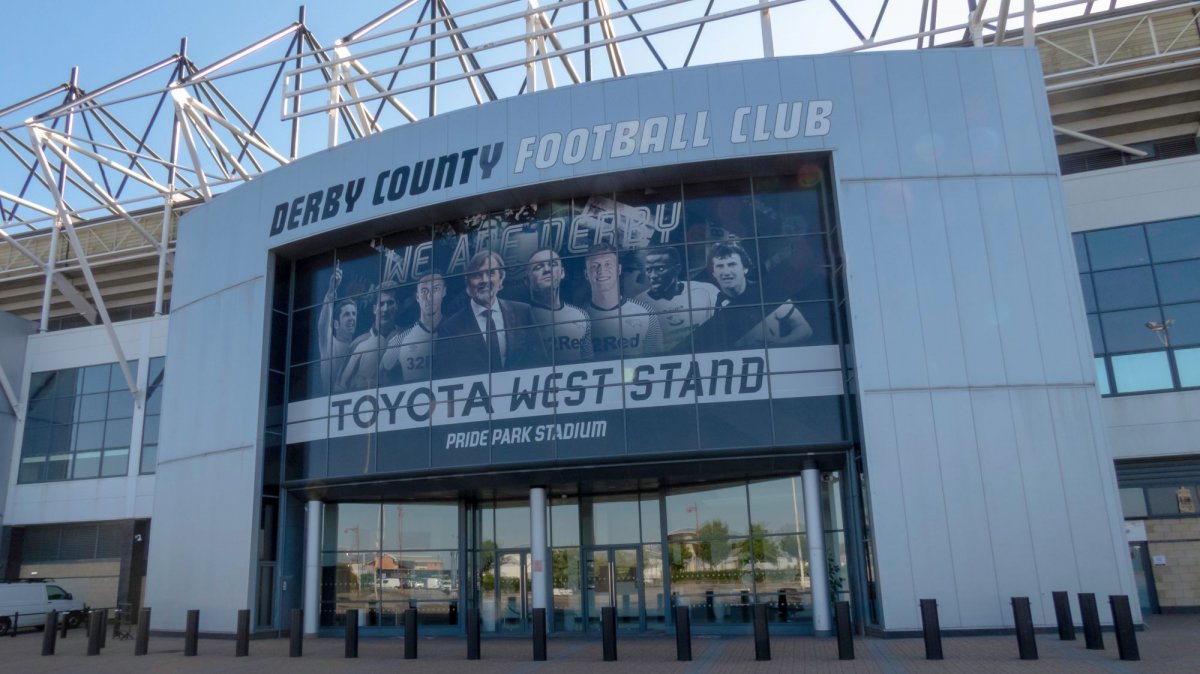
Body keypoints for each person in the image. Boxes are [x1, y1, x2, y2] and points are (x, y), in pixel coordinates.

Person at [435, 251, 548, 378]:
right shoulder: (449, 329)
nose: (484, 280)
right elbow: (443, 378)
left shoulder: (523, 312)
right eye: (477, 275)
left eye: (490, 273)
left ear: (501, 279)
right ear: (468, 283)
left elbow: (540, 361)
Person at [695, 241, 812, 351]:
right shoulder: (708, 301)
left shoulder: (767, 293)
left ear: (745, 268)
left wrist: (778, 344)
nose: (726, 272)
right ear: (714, 273)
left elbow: (804, 329)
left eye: (732, 264)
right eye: (720, 266)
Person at [583, 243, 663, 359]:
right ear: (586, 274)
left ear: (619, 269)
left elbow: (656, 357)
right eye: (595, 266)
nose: (602, 270)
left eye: (608, 264)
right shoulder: (578, 318)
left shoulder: (645, 312)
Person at [634, 247, 719, 352]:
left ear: (677, 269)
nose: (653, 276)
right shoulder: (638, 305)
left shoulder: (706, 291)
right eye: (648, 270)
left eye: (660, 269)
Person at [525, 248, 593, 364]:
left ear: (562, 273)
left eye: (552, 264)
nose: (547, 270)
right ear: (527, 281)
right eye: (538, 267)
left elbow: (589, 360)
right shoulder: (519, 317)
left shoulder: (580, 315)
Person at [382, 272, 445, 383]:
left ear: (444, 292)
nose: (429, 297)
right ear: (417, 297)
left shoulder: (459, 330)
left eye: (435, 289)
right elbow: (383, 373)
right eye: (424, 291)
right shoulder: (400, 339)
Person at [337, 282, 401, 392]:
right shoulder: (359, 344)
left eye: (390, 303)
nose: (385, 309)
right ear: (374, 309)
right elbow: (339, 386)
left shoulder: (408, 336)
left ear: (397, 306)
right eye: (381, 304)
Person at [316, 263, 358, 390]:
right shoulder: (329, 344)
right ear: (336, 323)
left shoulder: (359, 346)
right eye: (346, 315)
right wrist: (331, 291)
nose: (352, 318)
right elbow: (323, 324)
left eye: (354, 314)